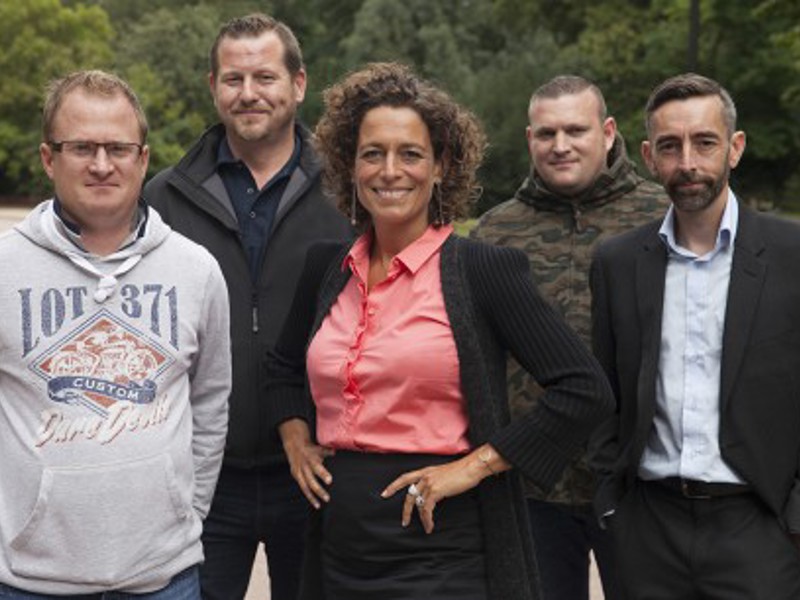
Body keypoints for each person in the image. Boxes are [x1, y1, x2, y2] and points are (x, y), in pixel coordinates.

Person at [265, 62, 614, 600]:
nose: (389, 171)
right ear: (349, 165)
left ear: (440, 166)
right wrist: (294, 437)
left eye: (410, 154)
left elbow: (583, 389)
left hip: (444, 549)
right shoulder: (325, 268)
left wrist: (476, 466)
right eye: (372, 153)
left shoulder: (481, 270)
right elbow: (284, 368)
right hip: (338, 545)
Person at [143, 13, 352, 600]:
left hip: (316, 470)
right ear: (213, 87)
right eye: (233, 80)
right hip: (204, 478)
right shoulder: (162, 198)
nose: (249, 94)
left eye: (265, 76)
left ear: (299, 84)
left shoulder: (348, 193)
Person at [0, 70, 231, 597]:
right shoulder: (4, 268)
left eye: (118, 148)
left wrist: (185, 512)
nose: (102, 164)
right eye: (82, 147)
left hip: (164, 580)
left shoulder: (196, 270)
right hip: (28, 584)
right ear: (47, 158)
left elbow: (212, 400)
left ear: (143, 159)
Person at [590, 72, 800, 599]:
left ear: (735, 148)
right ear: (647, 155)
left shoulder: (791, 255)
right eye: (670, 146)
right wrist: (611, 499)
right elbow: (606, 392)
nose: (687, 162)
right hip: (648, 531)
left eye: (704, 143)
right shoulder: (618, 263)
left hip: (761, 528)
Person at [471, 75, 668, 600]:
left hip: (638, 480)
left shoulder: (662, 218)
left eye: (575, 131)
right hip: (532, 485)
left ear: (607, 132)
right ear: (529, 137)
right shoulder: (495, 232)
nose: (560, 146)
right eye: (546, 133)